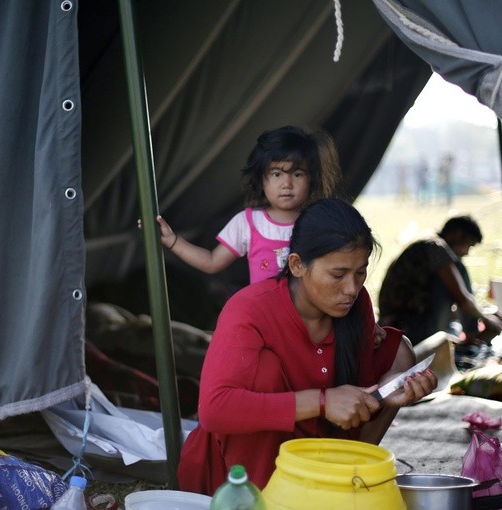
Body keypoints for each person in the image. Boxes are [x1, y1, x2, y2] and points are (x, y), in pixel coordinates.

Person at [177, 198, 438, 494]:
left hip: (312, 448)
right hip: (234, 477)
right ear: (297, 265)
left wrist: (387, 393)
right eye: (338, 275)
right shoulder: (249, 309)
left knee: (398, 348)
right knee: (263, 371)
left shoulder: (356, 303)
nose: (352, 289)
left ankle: (344, 477)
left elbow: (359, 385)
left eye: (360, 272)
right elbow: (215, 410)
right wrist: (323, 402)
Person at [153, 126, 342, 284]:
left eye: (297, 174)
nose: (287, 183)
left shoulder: (319, 222)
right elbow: (211, 262)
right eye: (277, 174)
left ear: (313, 179)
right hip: (263, 319)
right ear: (261, 180)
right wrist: (173, 241)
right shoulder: (248, 222)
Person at [377, 215, 502, 346]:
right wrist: (488, 320)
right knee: (458, 268)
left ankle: (471, 330)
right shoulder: (437, 248)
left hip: (406, 322)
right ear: (459, 235)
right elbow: (462, 300)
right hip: (405, 328)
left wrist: (483, 312)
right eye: (469, 246)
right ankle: (471, 334)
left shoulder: (427, 244)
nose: (467, 253)